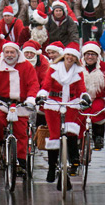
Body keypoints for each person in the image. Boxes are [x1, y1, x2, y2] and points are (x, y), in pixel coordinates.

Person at [36, 43, 91, 189]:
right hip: (53, 104)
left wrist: (85, 97)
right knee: (54, 136)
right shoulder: (53, 69)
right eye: (68, 55)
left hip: (71, 104)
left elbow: (81, 89)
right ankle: (52, 167)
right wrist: (42, 95)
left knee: (71, 130)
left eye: (73, 56)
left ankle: (74, 158)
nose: (70, 58)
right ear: (64, 55)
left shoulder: (78, 71)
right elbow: (46, 85)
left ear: (76, 58)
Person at [0, 43, 40, 175]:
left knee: (21, 130)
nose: (9, 55)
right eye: (7, 52)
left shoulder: (26, 66)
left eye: (12, 52)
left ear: (17, 53)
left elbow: (33, 84)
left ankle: (20, 160)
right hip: (1, 102)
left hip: (20, 103)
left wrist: (31, 99)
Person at [80, 42, 105, 150]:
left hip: (97, 98)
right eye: (88, 54)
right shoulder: (77, 66)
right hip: (80, 99)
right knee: (78, 116)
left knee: (98, 111)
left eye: (93, 54)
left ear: (97, 56)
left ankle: (98, 137)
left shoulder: (104, 67)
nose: (90, 57)